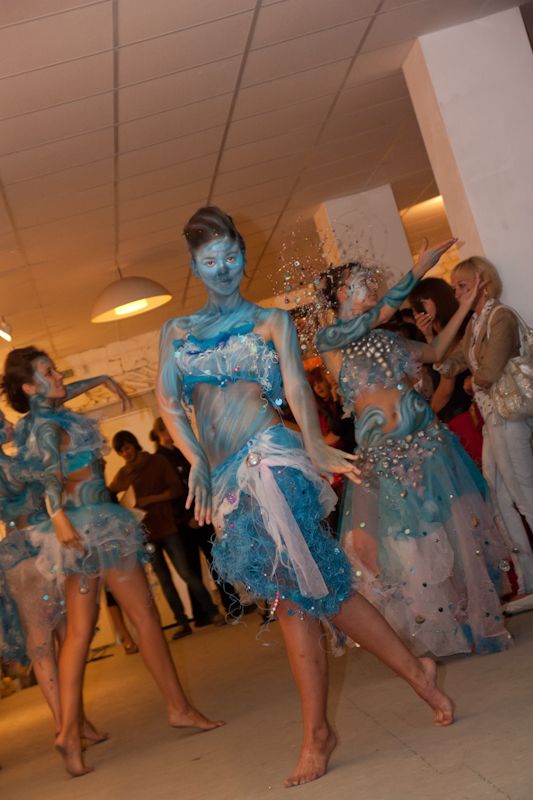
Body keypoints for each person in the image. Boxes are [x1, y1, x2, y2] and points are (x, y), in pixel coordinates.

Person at [157, 206, 455, 789]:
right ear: (195, 267)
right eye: (210, 261)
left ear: (243, 255)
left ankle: (319, 732)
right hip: (226, 482)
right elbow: (169, 404)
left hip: (270, 460)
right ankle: (412, 672)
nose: (223, 268)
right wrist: (196, 462)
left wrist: (316, 444)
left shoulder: (270, 321)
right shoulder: (176, 331)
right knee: (306, 589)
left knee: (300, 591)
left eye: (231, 256)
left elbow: (295, 384)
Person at [2, 347, 224, 777]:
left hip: (79, 536)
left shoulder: (40, 417)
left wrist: (103, 380)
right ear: (29, 386)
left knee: (79, 634)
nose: (60, 375)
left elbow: (64, 396)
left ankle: (68, 732)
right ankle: (178, 708)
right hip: (97, 529)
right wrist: (56, 514)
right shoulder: (48, 426)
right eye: (49, 371)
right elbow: (50, 474)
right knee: (143, 617)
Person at [315, 245, 513, 659]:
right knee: (382, 545)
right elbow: (380, 313)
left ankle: (466, 622)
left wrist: (465, 308)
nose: (372, 287)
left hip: (428, 444)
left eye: (372, 281)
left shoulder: (387, 338)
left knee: (448, 533)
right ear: (340, 296)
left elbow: (437, 352)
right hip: (381, 457)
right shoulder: (330, 340)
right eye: (361, 283)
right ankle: (415, 629)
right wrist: (418, 268)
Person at [442, 257, 533, 614]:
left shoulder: (501, 317)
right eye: (455, 287)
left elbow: (489, 371)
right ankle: (527, 580)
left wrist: (470, 381)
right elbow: (452, 362)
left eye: (462, 285)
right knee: (499, 498)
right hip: (493, 418)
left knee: (523, 493)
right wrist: (435, 348)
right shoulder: (475, 322)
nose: (457, 293)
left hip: (508, 416)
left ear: (483, 282)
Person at [109, 430, 224, 636]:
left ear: (134, 444)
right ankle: (182, 623)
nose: (125, 453)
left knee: (186, 573)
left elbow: (176, 489)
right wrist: (122, 510)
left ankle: (212, 612)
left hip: (168, 528)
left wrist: (149, 499)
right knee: (164, 581)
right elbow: (109, 493)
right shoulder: (123, 474)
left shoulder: (158, 461)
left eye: (127, 447)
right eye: (121, 451)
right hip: (144, 535)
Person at [149, 418, 236, 624]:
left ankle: (232, 604)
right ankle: (201, 614)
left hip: (200, 513)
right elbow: (172, 493)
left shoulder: (181, 451)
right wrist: (186, 517)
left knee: (216, 559)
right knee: (192, 567)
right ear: (161, 432)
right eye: (170, 429)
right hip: (182, 521)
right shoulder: (159, 459)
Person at [409, 277, 472, 423]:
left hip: (463, 414)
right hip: (451, 416)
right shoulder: (434, 336)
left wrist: (428, 417)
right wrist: (428, 335)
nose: (416, 312)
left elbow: (447, 387)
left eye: (422, 304)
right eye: (414, 307)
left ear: (439, 300)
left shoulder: (455, 333)